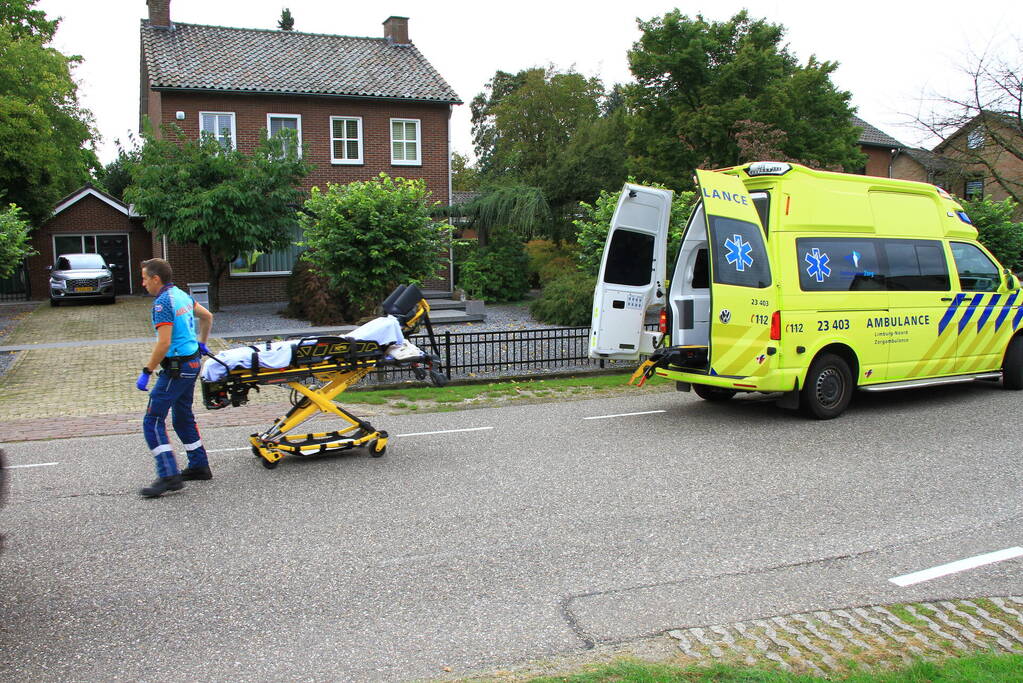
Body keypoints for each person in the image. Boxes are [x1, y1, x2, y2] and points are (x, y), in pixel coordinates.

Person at [136, 258, 214, 498]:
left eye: (144, 278)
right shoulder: (180, 295)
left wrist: (147, 371)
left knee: (153, 420)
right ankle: (199, 465)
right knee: (182, 416)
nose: (143, 283)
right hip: (192, 364)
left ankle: (169, 475)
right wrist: (201, 343)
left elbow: (164, 343)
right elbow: (207, 316)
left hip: (177, 368)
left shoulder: (162, 303)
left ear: (156, 279)